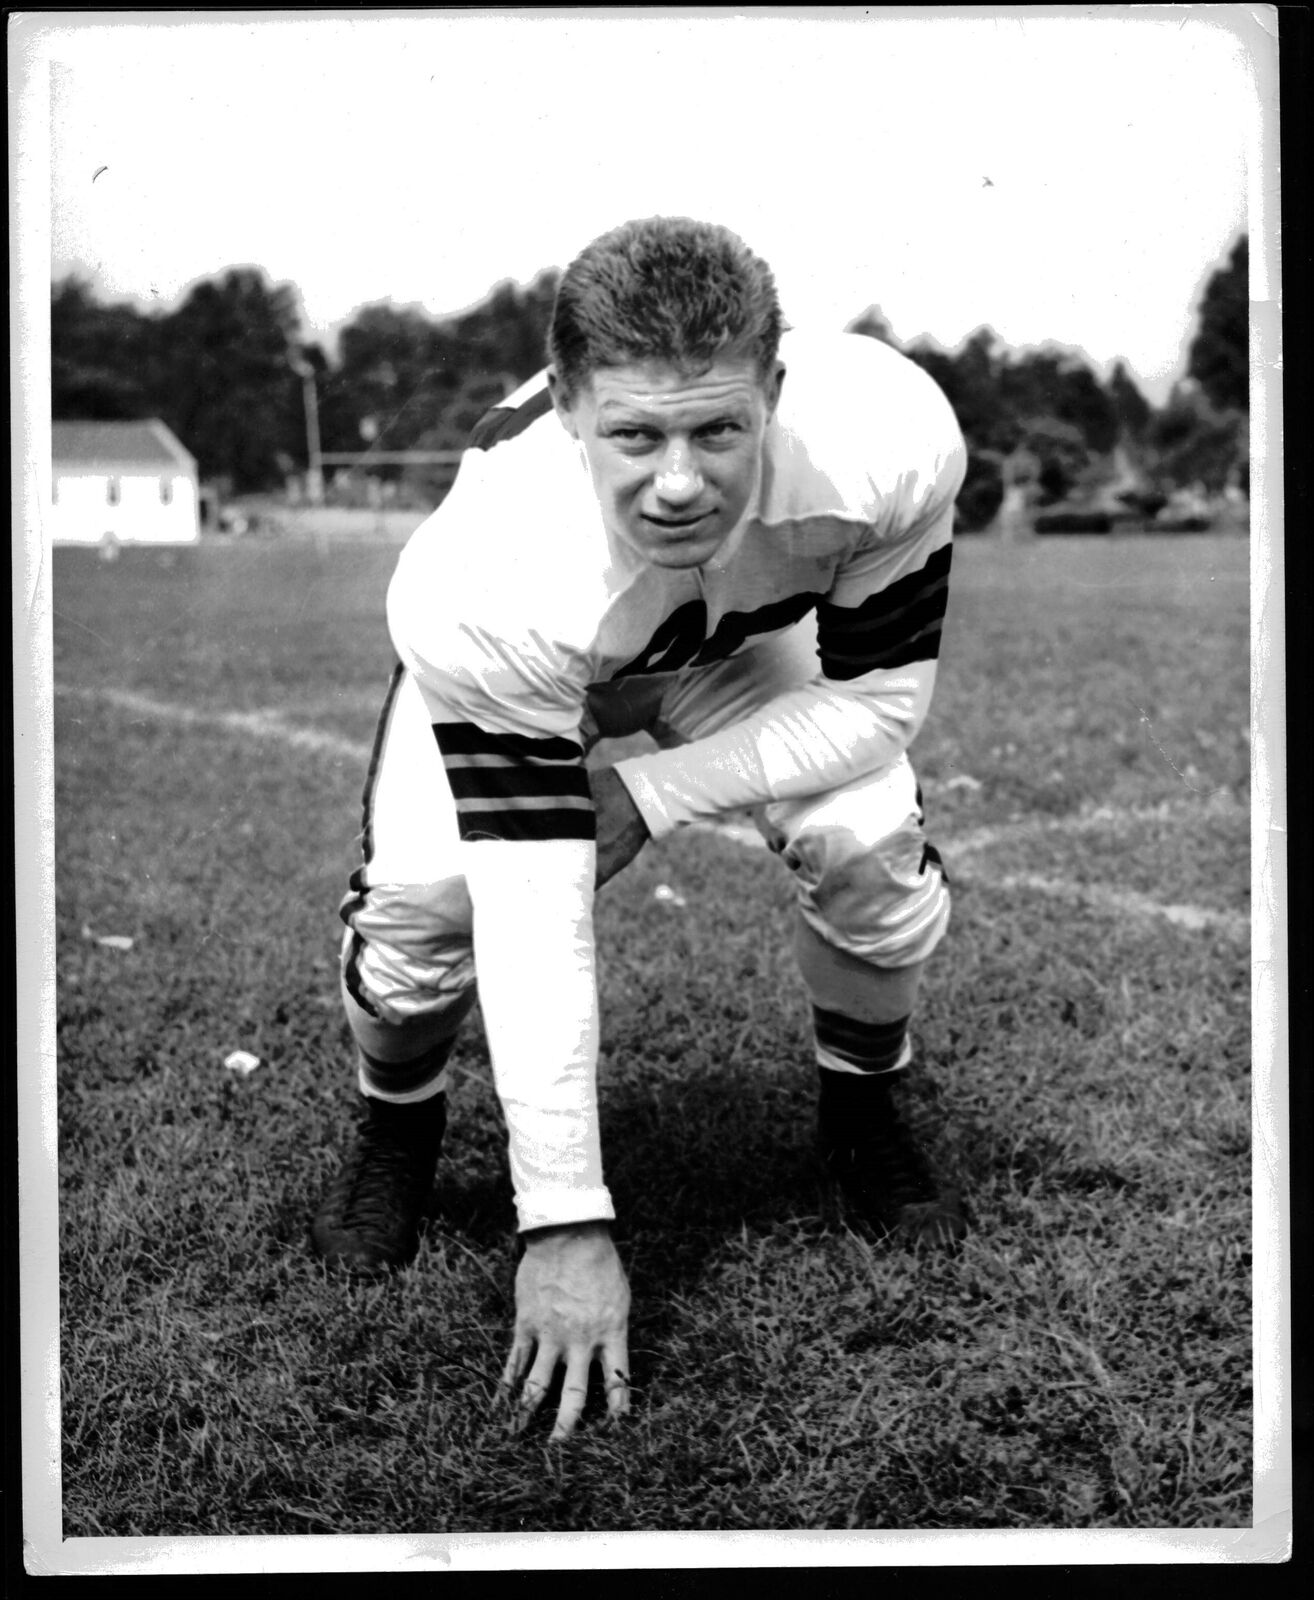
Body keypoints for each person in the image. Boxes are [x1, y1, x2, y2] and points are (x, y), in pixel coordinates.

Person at [311, 216, 968, 1441]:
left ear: (774, 388)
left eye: (720, 428)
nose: (679, 481)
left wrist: (654, 792)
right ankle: (395, 1126)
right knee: (422, 909)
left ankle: (863, 1105)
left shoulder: (887, 437)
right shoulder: (486, 571)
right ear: (566, 405)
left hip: (729, 647)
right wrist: (563, 1220)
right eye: (635, 433)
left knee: (869, 834)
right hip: (536, 663)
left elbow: (879, 702)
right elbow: (536, 904)